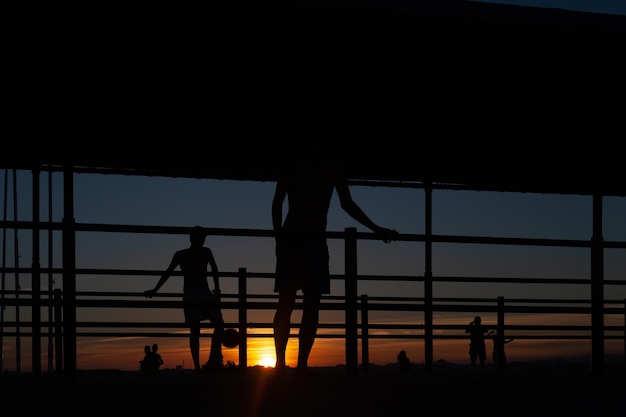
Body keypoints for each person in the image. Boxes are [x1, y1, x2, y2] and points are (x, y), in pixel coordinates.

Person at [272, 152, 399, 378]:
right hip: (310, 242)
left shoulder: (298, 163)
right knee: (304, 306)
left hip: (295, 240)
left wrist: (279, 239)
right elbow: (346, 204)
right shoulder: (330, 166)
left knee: (289, 305)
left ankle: (286, 365)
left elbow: (277, 202)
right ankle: (296, 365)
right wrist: (376, 229)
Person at [144, 226, 225, 372]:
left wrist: (217, 289)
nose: (202, 241)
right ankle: (200, 365)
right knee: (199, 329)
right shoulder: (187, 254)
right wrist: (156, 289)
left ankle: (211, 359)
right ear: (193, 238)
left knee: (215, 325)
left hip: (199, 292)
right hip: (194, 293)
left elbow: (214, 269)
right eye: (201, 238)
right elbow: (168, 272)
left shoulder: (192, 253)